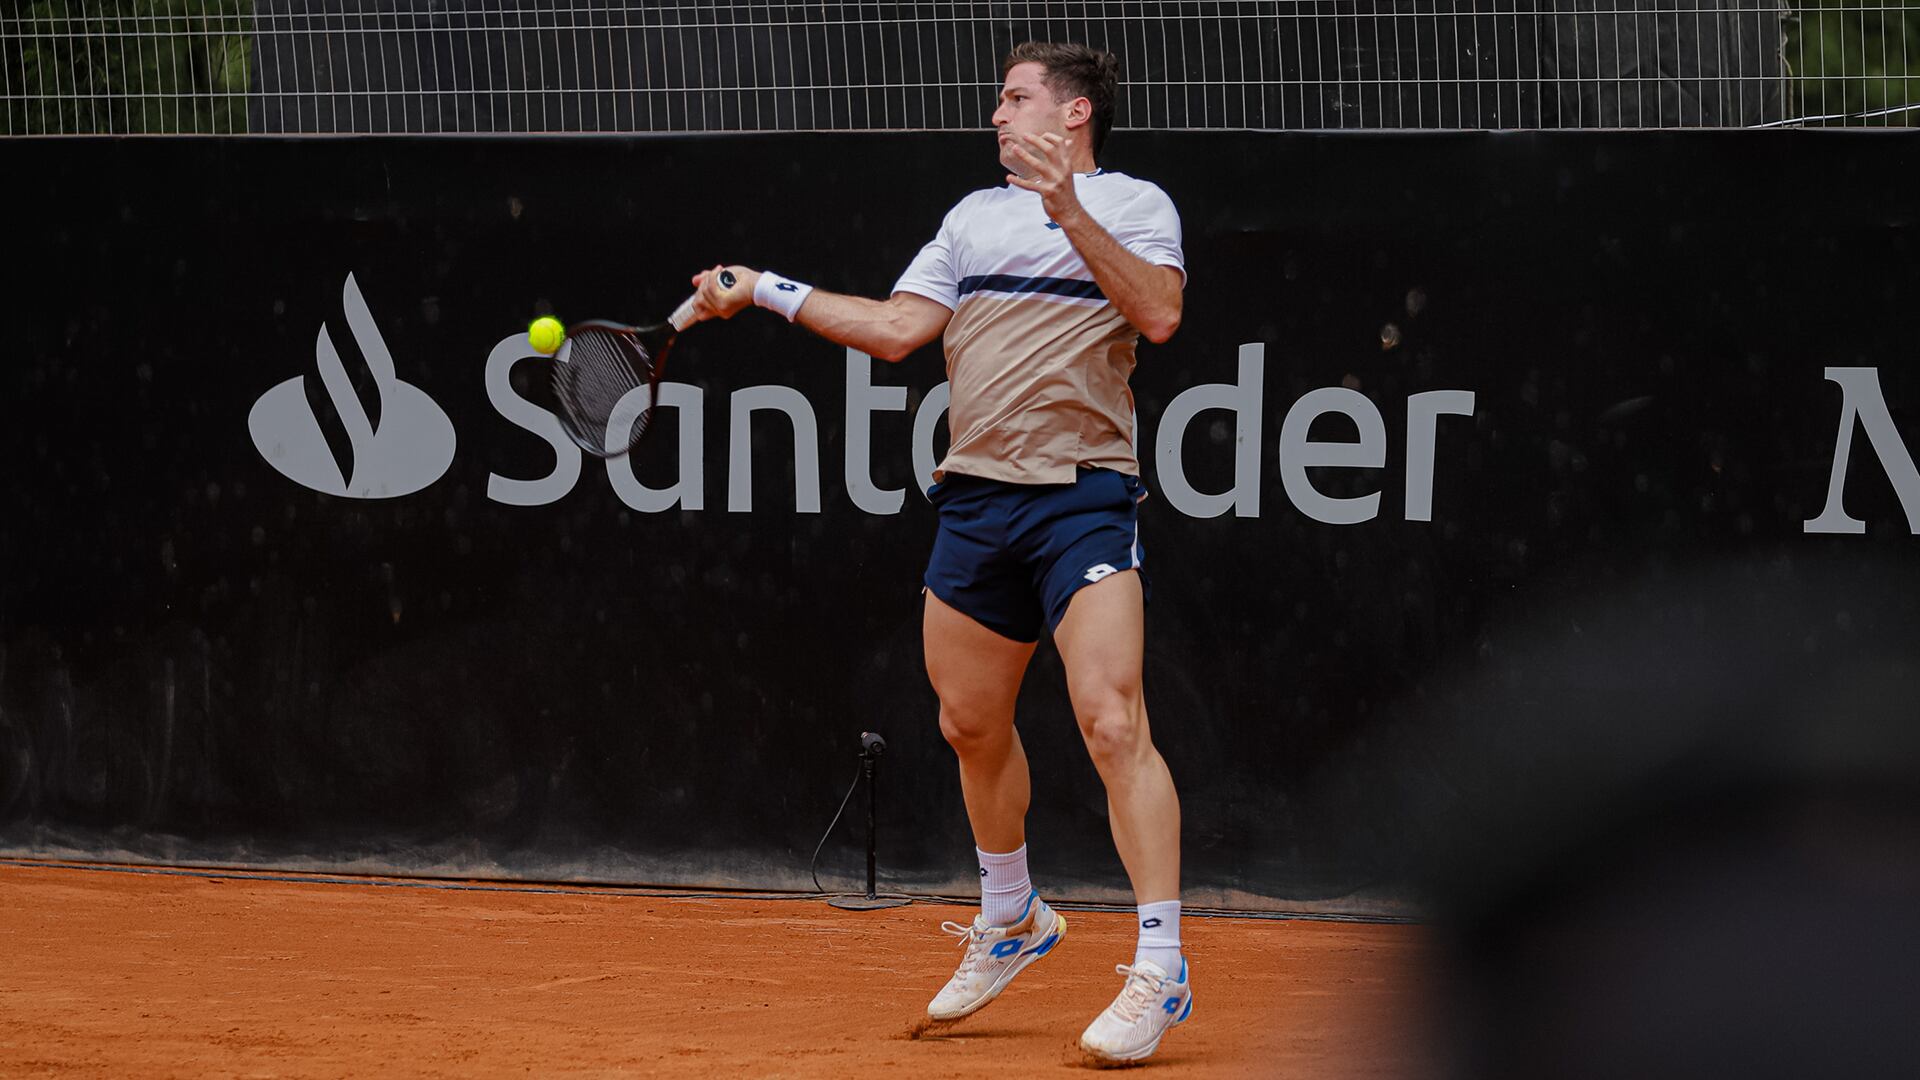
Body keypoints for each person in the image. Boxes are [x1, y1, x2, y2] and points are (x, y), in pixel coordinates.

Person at [687, 40, 1190, 1064]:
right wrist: (766, 288)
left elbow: (1159, 313)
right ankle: (1011, 915)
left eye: (1015, 100)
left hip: (1082, 498)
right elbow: (894, 328)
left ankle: (1161, 964)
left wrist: (1071, 213)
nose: (996, 117)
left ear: (1075, 113)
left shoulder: (1138, 206)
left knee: (1110, 717)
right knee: (969, 724)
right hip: (976, 503)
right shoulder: (971, 219)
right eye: (1000, 103)